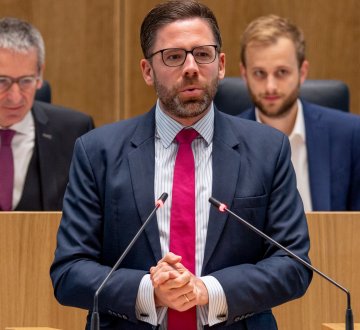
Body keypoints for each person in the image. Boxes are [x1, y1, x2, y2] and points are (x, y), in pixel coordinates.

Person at [50, 1, 312, 329]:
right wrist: (149, 291)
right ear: (147, 70)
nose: (191, 67)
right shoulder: (97, 152)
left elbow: (294, 264)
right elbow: (69, 272)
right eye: (174, 56)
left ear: (221, 64)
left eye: (203, 54)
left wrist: (209, 290)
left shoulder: (267, 150)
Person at [238, 14, 360, 211]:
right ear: (244, 75)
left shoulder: (352, 134)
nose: (270, 87)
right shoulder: (224, 141)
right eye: (259, 73)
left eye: (281, 72)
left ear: (302, 72)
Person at [0, 17, 94, 211]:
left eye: (26, 81)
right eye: (2, 81)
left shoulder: (74, 132)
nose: (15, 97)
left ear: (39, 76)